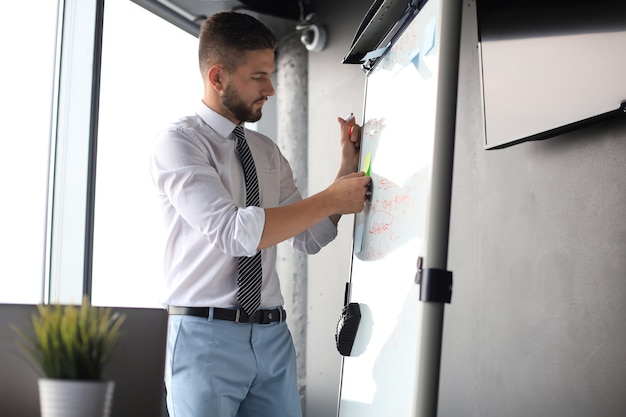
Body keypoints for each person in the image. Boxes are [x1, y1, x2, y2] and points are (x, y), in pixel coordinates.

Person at [149, 10, 371, 417]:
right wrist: (331, 198)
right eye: (258, 76)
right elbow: (234, 232)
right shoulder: (178, 144)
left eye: (271, 74)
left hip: (273, 338)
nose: (270, 88)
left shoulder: (266, 151)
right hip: (204, 339)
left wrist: (345, 168)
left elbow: (311, 236)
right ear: (218, 78)